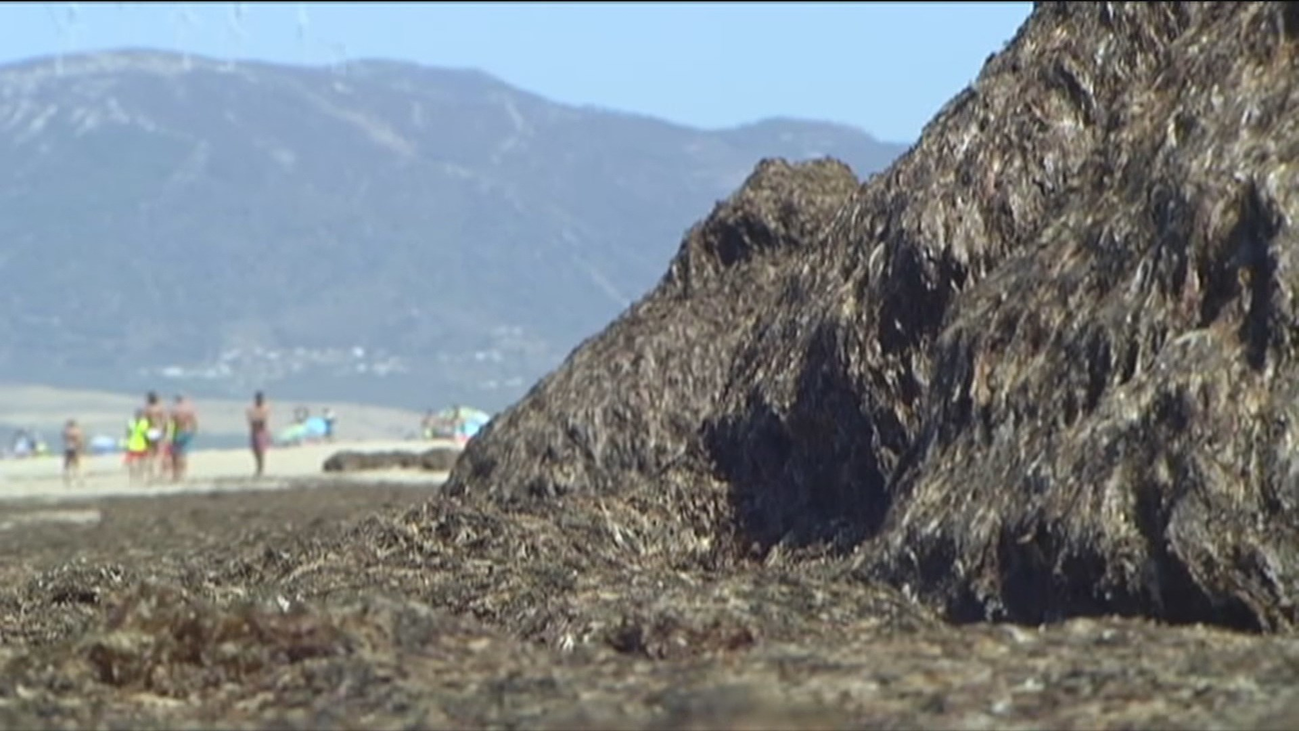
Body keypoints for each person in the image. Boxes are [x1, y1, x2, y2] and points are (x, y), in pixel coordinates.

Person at [169, 394, 199, 483]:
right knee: (183, 454)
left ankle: (176, 475)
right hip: (187, 431)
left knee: (175, 455)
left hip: (177, 432)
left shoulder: (175, 410)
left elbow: (170, 422)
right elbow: (194, 421)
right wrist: (194, 430)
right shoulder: (189, 409)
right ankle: (183, 474)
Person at [142, 391, 168, 482]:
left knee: (150, 454)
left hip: (149, 431)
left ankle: (151, 474)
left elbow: (144, 421)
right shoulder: (160, 408)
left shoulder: (147, 409)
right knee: (161, 453)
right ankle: (161, 474)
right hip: (158, 430)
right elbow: (165, 420)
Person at [247, 391, 271, 477]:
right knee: (255, 451)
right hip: (254, 431)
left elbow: (264, 419)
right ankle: (258, 467)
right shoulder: (251, 408)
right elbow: (250, 418)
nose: (260, 400)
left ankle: (260, 468)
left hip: (261, 431)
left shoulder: (265, 407)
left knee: (261, 450)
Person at [123, 409, 150, 484]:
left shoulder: (132, 422)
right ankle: (137, 477)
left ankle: (135, 478)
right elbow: (147, 434)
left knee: (136, 463)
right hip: (139, 444)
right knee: (138, 463)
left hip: (136, 444)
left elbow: (128, 433)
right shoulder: (144, 423)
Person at [61, 419, 85, 487]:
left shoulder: (66, 431)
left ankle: (68, 480)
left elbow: (64, 438)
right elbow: (80, 440)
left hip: (68, 447)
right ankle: (79, 480)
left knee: (67, 465)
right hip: (75, 448)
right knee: (76, 464)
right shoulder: (77, 431)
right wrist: (81, 448)